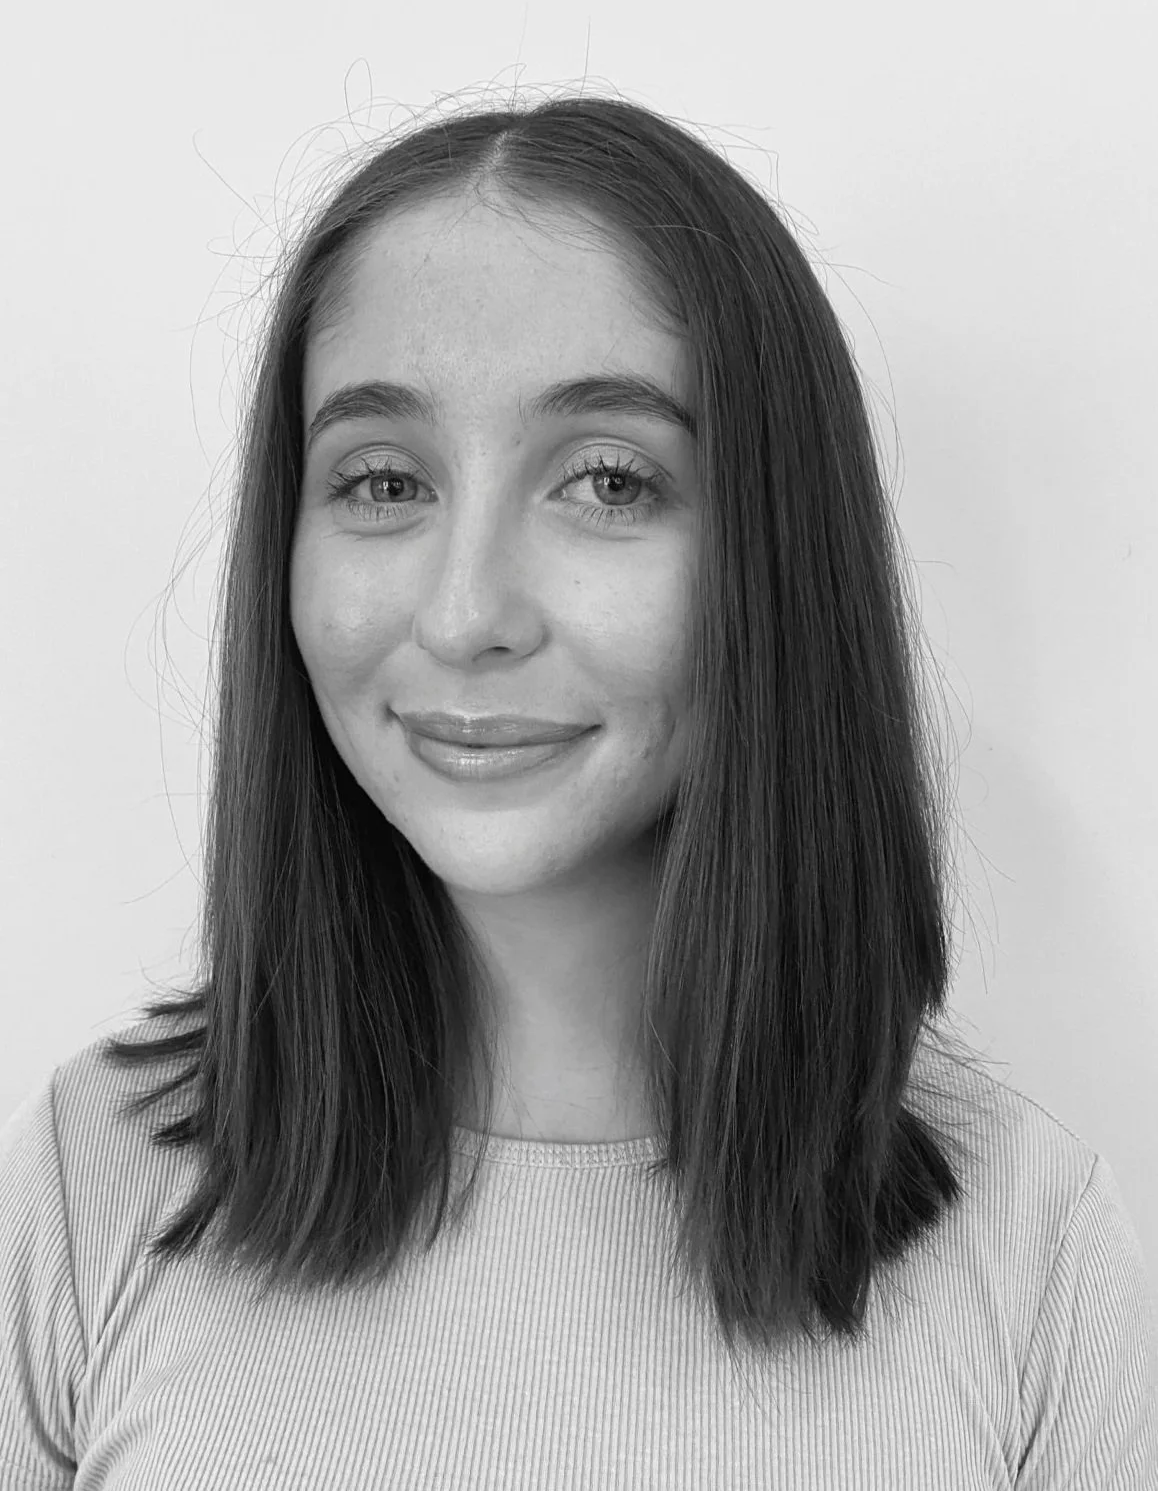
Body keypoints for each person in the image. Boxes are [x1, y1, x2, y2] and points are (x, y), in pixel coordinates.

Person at [1, 92, 1154, 1488]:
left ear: (769, 558)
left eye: (606, 481)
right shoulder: (89, 1189)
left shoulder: (1026, 1252)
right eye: (380, 481)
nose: (467, 609)